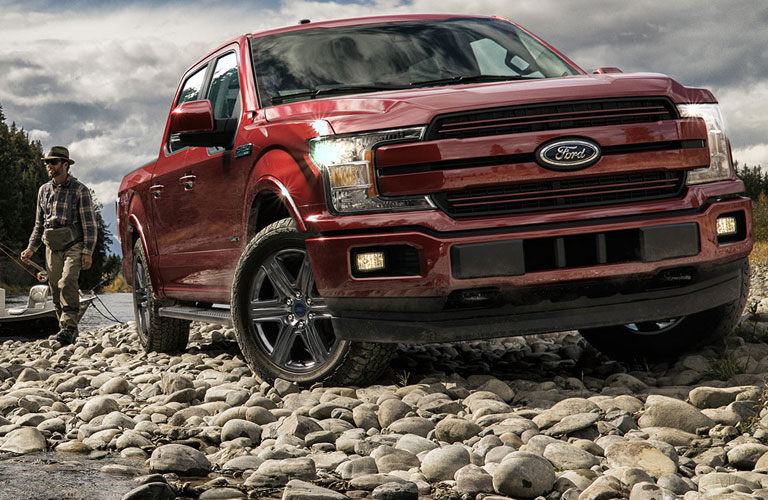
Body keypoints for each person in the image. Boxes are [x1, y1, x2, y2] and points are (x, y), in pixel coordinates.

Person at [20, 146, 97, 344]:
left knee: (67, 282)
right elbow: (39, 225)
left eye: (53, 162)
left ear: (65, 165)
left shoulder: (80, 190)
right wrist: (31, 248)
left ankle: (69, 327)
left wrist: (87, 252)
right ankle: (66, 330)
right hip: (51, 247)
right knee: (55, 288)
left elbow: (89, 225)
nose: (49, 166)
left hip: (74, 245)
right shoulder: (43, 190)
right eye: (47, 162)